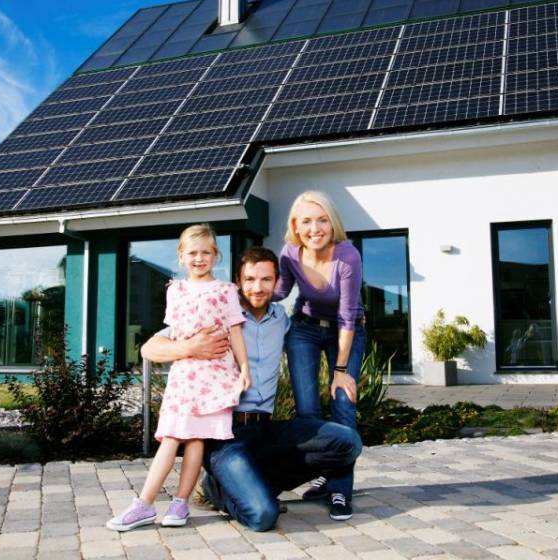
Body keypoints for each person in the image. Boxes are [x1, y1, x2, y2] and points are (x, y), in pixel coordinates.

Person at [138, 246, 362, 531]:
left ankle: (253, 484)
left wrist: (340, 371)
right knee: (262, 515)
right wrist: (189, 347)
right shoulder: (217, 312)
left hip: (265, 430)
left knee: (347, 441)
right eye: (250, 279)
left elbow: (321, 333)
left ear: (277, 282)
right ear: (238, 282)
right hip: (224, 435)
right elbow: (149, 348)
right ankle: (218, 492)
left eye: (266, 279)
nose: (257, 288)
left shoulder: (281, 320)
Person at [107, 224, 250, 532]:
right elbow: (174, 333)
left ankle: (180, 503)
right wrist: (183, 348)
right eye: (193, 253)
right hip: (184, 375)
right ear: (181, 256)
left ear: (216, 255)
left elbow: (236, 332)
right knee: (171, 436)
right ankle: (145, 504)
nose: (199, 258)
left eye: (206, 252)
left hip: (214, 375)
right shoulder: (176, 290)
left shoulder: (226, 291)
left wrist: (244, 370)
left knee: (196, 438)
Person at [273, 190, 366, 521]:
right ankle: (325, 475)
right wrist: (240, 294)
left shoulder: (347, 256)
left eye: (322, 220)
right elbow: (280, 291)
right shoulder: (289, 254)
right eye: (307, 221)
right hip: (305, 329)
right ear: (296, 227)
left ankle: (340, 489)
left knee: (343, 404)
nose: (315, 228)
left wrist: (340, 370)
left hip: (347, 331)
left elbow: (347, 316)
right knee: (308, 412)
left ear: (333, 222)